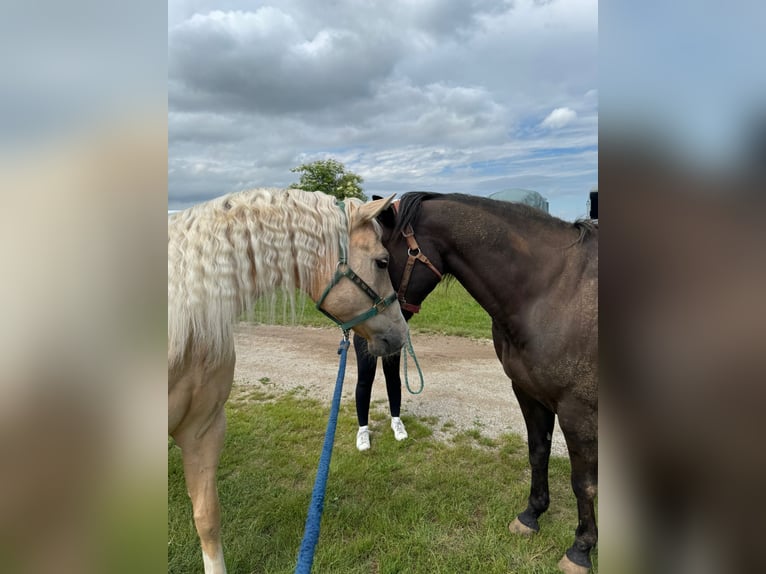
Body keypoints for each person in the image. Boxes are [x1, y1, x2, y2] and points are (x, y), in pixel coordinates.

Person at [353, 332, 408, 451]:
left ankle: (396, 420)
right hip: (365, 332)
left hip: (389, 333)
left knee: (393, 375)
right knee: (364, 379)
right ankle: (363, 429)